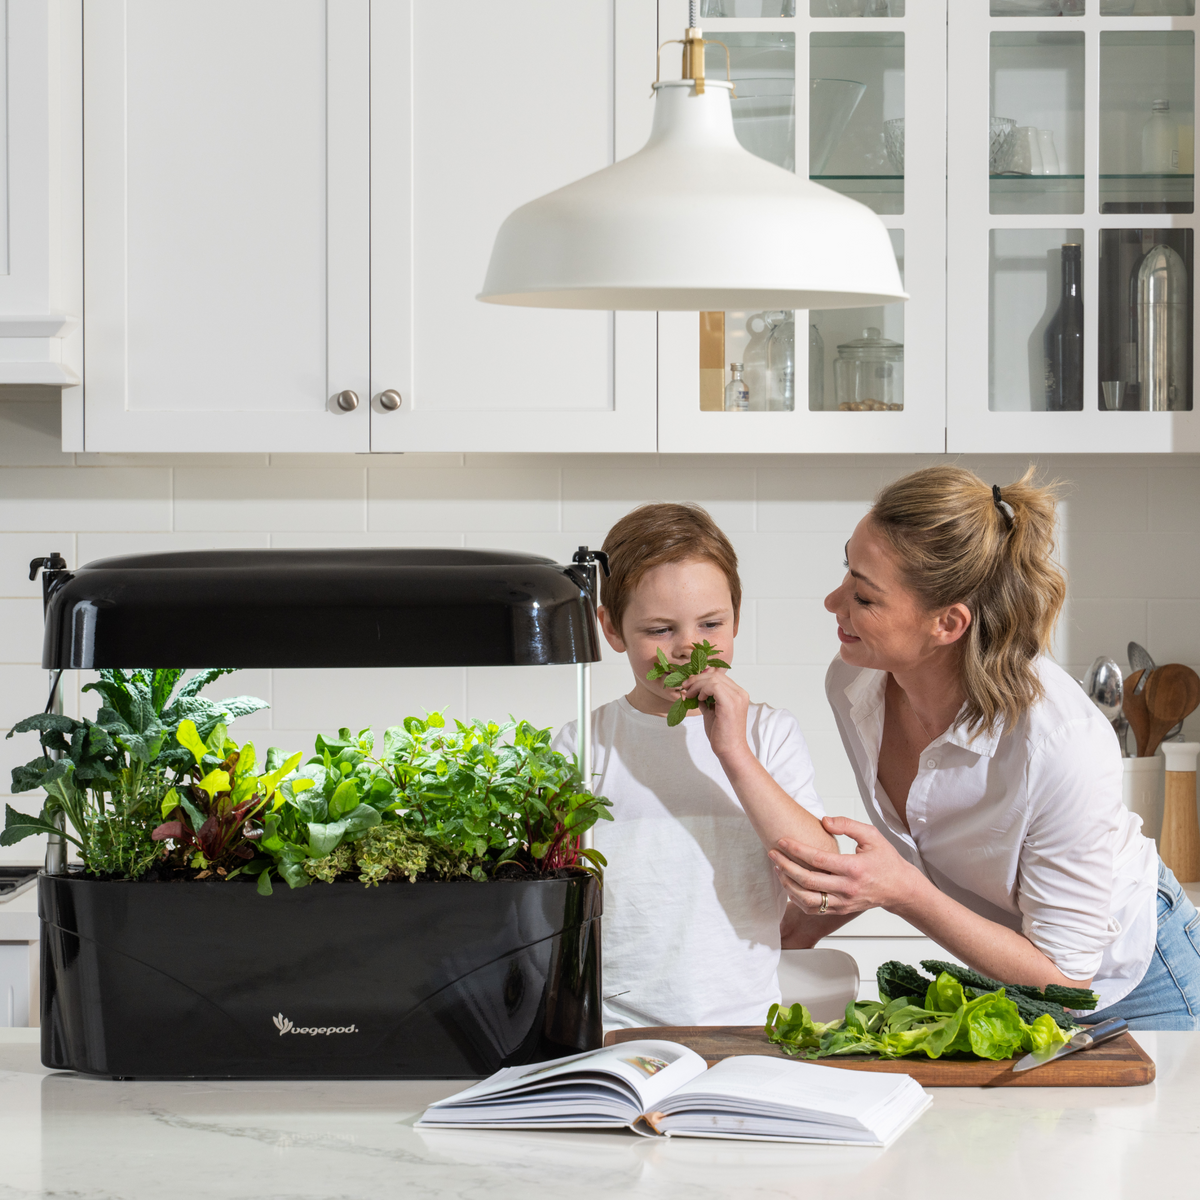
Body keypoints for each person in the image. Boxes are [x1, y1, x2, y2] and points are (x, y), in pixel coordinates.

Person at [771, 464, 1200, 1028]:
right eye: (845, 571)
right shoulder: (855, 683)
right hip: (1016, 980)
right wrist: (775, 945)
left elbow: (1067, 979)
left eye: (864, 597)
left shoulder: (1058, 741)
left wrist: (900, 892)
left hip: (1137, 984)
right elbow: (916, 847)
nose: (834, 602)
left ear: (947, 623)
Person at [553, 503, 836, 1030]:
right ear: (611, 630)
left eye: (711, 623)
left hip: (748, 1027)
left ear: (736, 617)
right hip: (610, 1029)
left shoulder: (768, 735)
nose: (688, 647)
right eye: (660, 629)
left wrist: (732, 750)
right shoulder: (581, 744)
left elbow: (822, 880)